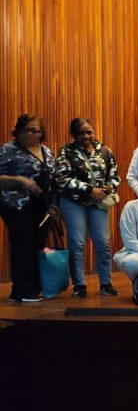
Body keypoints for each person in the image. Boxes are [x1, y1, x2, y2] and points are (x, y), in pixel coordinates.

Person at [54, 117, 121, 298]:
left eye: (89, 132)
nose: (86, 136)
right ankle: (79, 285)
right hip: (73, 202)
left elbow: (115, 176)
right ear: (74, 135)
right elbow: (61, 178)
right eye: (81, 133)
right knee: (77, 243)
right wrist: (89, 190)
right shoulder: (66, 152)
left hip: (99, 202)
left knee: (103, 243)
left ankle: (106, 283)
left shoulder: (105, 151)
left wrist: (106, 189)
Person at [0, 114, 59, 302]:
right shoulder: (7, 150)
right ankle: (21, 291)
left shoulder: (47, 151)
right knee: (23, 244)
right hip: (16, 205)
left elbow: (53, 179)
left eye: (36, 130)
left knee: (38, 245)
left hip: (42, 206)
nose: (31, 134)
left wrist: (53, 204)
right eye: (27, 130)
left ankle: (34, 288)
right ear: (18, 131)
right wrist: (19, 180)